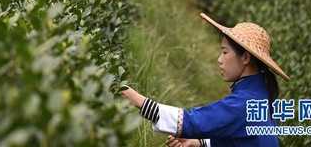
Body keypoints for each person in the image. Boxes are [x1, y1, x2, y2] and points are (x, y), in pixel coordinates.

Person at [120, 13, 290, 147]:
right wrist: (198, 142)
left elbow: (193, 122)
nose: (219, 59)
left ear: (245, 58)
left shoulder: (244, 103)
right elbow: (239, 140)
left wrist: (138, 100)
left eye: (225, 52)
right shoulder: (260, 96)